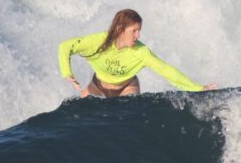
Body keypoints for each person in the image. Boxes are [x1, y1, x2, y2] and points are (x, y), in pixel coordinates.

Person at [59, 9, 217, 98]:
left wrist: (197, 88)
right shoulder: (98, 41)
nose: (138, 35)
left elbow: (166, 70)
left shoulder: (141, 52)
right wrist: (67, 74)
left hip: (127, 87)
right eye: (134, 31)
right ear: (120, 30)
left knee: (128, 115)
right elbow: (65, 47)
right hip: (98, 85)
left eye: (139, 31)